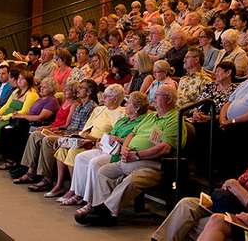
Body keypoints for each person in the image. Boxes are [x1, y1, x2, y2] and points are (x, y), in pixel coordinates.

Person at [153, 119, 248, 241]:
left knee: (192, 221)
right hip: (226, 203)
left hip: (240, 213)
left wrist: (234, 185)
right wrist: (230, 185)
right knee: (187, 203)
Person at [76, 85, 184, 226]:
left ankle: (107, 212)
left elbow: (164, 148)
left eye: (157, 95)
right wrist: (125, 148)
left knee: (133, 179)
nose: (154, 98)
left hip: (153, 164)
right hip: (129, 159)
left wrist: (137, 155)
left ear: (168, 99)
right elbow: (132, 133)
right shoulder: (151, 116)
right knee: (103, 172)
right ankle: (100, 209)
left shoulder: (174, 119)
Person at [60, 91, 150, 207]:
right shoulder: (124, 119)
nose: (125, 105)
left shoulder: (142, 121)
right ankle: (78, 194)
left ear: (137, 108)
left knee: (94, 162)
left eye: (128, 104)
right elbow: (109, 134)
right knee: (80, 157)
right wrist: (99, 142)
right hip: (106, 148)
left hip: (117, 151)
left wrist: (118, 139)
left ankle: (90, 201)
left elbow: (134, 140)